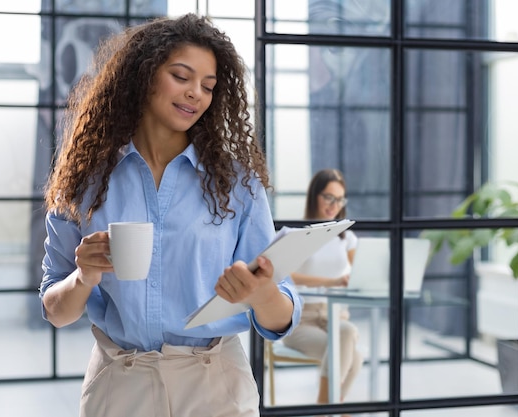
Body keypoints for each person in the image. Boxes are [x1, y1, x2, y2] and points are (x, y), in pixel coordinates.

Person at [38, 14, 302, 417]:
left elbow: (281, 315)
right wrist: (83, 276)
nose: (196, 93)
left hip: (216, 385)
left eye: (208, 86)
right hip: (120, 384)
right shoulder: (84, 182)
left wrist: (260, 293)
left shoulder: (237, 184)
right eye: (181, 76)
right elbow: (55, 310)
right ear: (143, 76)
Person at [281, 168, 363, 404]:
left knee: (348, 339)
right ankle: (330, 407)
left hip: (334, 316)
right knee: (352, 350)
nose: (334, 204)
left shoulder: (346, 238)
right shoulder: (299, 234)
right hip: (301, 320)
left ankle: (326, 408)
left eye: (339, 199)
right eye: (328, 197)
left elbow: (359, 273)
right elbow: (286, 276)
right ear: (315, 196)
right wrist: (333, 282)